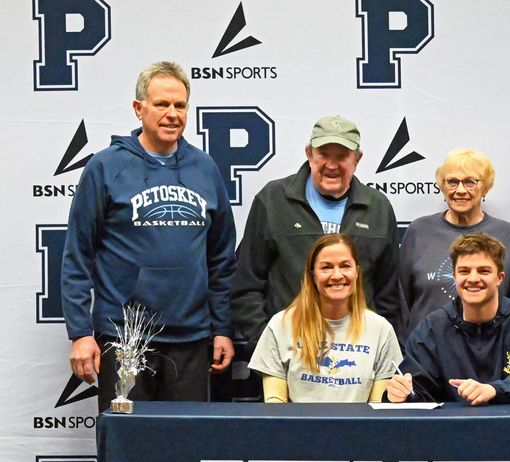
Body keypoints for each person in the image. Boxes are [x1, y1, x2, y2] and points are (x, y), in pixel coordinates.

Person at [61, 61, 236, 412]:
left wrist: (223, 328)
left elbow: (221, 257)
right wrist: (80, 332)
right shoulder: (106, 167)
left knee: (187, 441)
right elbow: (78, 255)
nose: (172, 114)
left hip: (191, 338)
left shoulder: (205, 168)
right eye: (162, 104)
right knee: (126, 440)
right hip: (124, 339)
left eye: (180, 105)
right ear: (139, 108)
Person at [232, 115, 400, 347]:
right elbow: (246, 284)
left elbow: (389, 296)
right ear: (309, 154)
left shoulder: (378, 208)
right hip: (288, 350)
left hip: (357, 352)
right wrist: (268, 345)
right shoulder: (273, 200)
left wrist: (377, 350)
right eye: (323, 154)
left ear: (357, 159)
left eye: (342, 156)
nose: (331, 165)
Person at [387, 233, 510, 405]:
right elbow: (418, 390)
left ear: (500, 278)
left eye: (484, 271)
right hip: (451, 422)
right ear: (454, 276)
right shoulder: (432, 329)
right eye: (464, 271)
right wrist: (400, 393)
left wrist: (493, 390)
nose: (473, 279)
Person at [248, 234, 402, 403]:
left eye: (345, 266)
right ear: (313, 275)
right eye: (326, 267)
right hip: (298, 421)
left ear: (357, 272)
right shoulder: (281, 325)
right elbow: (274, 406)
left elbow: (377, 410)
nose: (337, 275)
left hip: (360, 422)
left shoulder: (380, 330)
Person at [399, 148, 510, 340]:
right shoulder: (418, 231)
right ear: (443, 186)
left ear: (485, 187)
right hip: (426, 351)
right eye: (452, 182)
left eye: (470, 182)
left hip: (490, 352)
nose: (460, 190)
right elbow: (401, 303)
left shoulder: (508, 235)